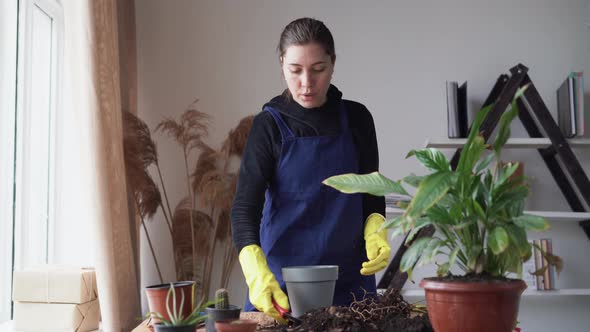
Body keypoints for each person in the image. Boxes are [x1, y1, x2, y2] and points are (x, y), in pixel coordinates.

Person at [230, 17, 389, 323]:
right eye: (295, 70)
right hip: (283, 289)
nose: (307, 83)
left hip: (351, 287)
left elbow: (371, 193)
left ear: (333, 64)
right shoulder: (268, 126)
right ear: (281, 63)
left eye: (318, 69)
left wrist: (376, 228)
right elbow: (244, 208)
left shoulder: (357, 119)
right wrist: (254, 269)